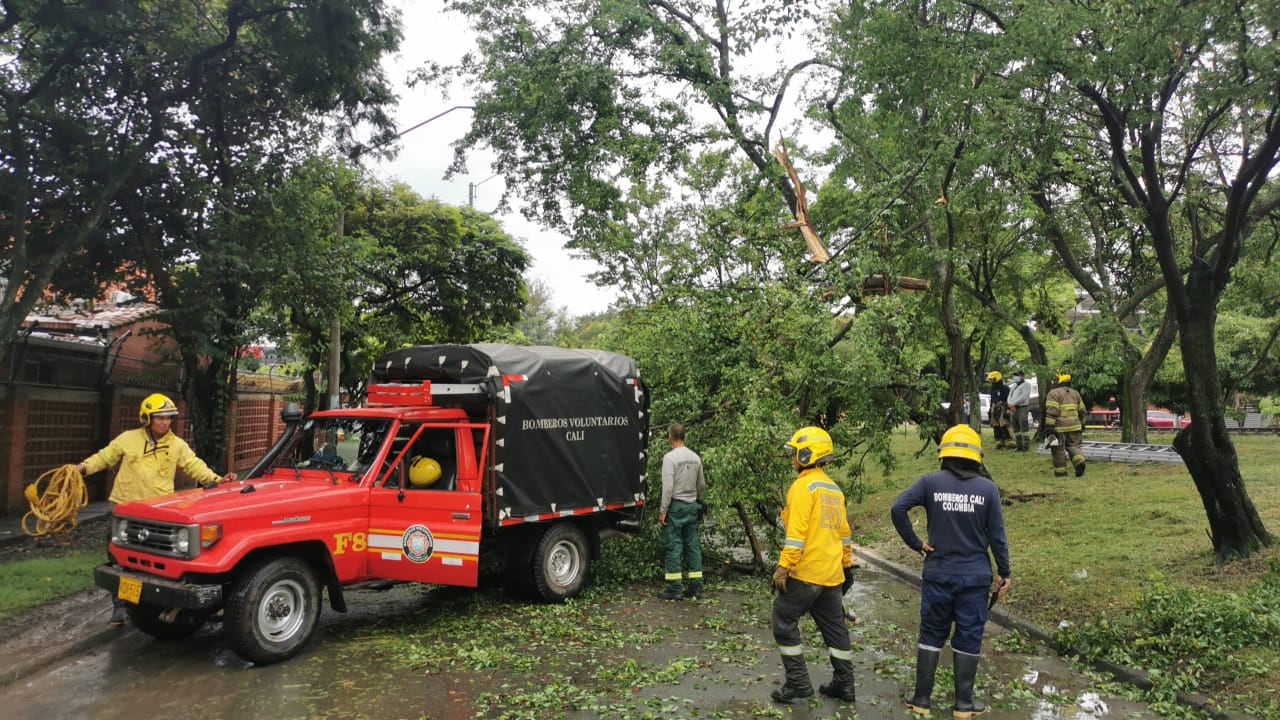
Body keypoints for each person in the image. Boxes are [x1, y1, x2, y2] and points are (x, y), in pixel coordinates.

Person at [78, 393, 237, 625]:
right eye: (160, 418)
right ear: (147, 418)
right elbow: (104, 458)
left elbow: (194, 466)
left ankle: (154, 604)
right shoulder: (127, 439)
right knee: (120, 560)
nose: (165, 422)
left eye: (168, 418)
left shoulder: (177, 445)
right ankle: (121, 606)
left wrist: (218, 480)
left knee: (156, 562)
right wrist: (81, 468)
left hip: (159, 516)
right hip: (125, 512)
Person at [891, 424, 1010, 719]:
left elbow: (898, 508)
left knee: (932, 633)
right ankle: (964, 706)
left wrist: (917, 544)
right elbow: (997, 536)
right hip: (975, 578)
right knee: (969, 635)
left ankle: (921, 700)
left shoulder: (930, 483)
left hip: (939, 574)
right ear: (976, 457)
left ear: (944, 454)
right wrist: (1004, 572)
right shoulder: (988, 489)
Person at [770, 426, 857, 704]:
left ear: (807, 455)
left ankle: (797, 683)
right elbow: (844, 534)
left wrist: (784, 567)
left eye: (795, 453)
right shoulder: (833, 490)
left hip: (806, 573)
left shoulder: (803, 487)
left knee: (783, 620)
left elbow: (796, 535)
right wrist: (846, 566)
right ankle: (845, 684)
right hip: (831, 575)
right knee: (835, 629)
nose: (793, 459)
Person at [657, 423, 707, 600]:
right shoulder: (695, 457)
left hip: (676, 507)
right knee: (692, 546)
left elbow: (668, 488)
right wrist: (698, 501)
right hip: (692, 506)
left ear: (670, 437)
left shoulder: (669, 458)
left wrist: (663, 511)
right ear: (684, 437)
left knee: (674, 546)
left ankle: (675, 588)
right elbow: (701, 484)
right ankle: (696, 587)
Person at [1044, 373, 1087, 477]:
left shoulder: (1053, 393)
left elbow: (1052, 411)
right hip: (1075, 426)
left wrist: (1049, 427)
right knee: (1074, 446)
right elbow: (1082, 411)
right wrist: (1082, 424)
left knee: (1058, 449)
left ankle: (1061, 472)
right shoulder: (1075, 393)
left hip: (1059, 427)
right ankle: (1080, 461)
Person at [1007, 370, 1033, 452]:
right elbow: (1009, 396)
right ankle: (1019, 446)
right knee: (1015, 428)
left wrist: (1013, 404)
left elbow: (1024, 397)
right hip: (1013, 409)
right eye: (1014, 376)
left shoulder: (1027, 385)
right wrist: (1010, 404)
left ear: (1022, 376)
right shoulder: (1014, 386)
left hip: (1022, 408)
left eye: (1017, 376)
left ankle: (1025, 446)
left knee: (1023, 427)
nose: (1015, 378)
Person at [986, 371, 1013, 450]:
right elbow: (992, 399)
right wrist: (991, 410)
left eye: (993, 379)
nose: (992, 382)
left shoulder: (1005, 388)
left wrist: (1007, 409)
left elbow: (1008, 399)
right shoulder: (993, 389)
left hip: (1002, 408)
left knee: (1004, 425)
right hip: (994, 409)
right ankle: (999, 443)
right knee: (996, 426)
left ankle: (1009, 443)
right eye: (991, 380)